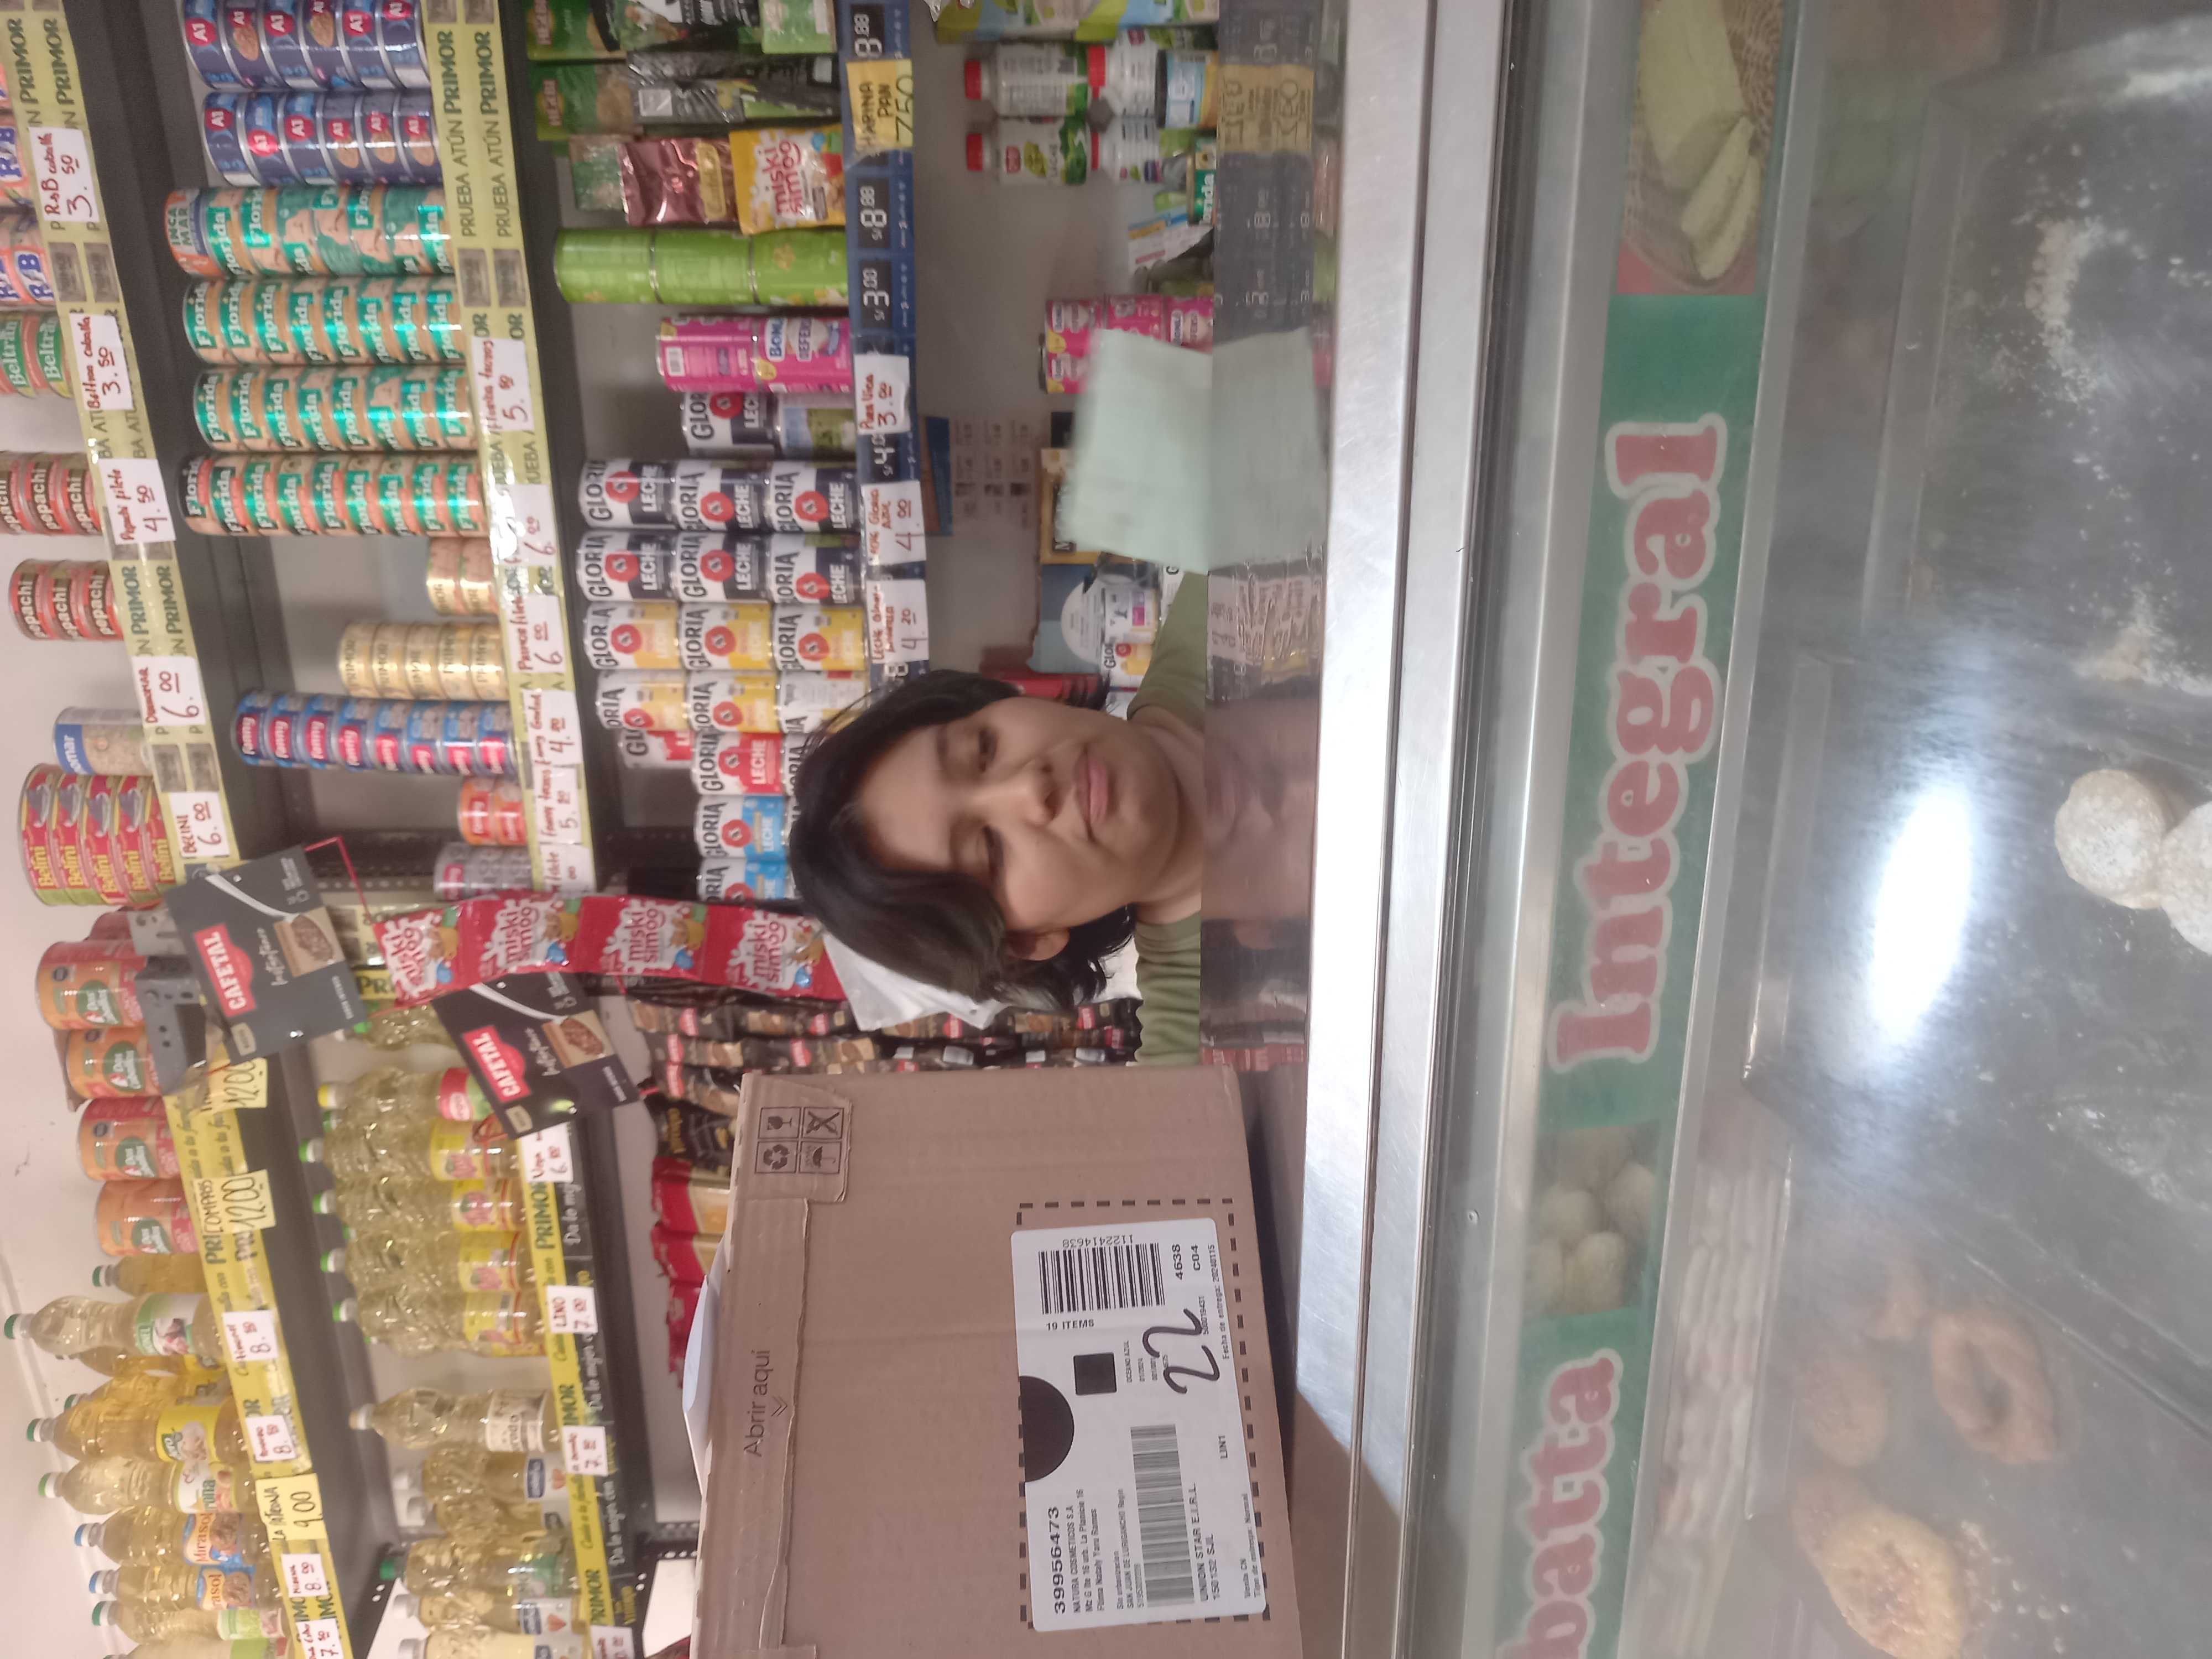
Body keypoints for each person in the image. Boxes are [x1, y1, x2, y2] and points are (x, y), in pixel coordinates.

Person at [790, 575, 1207, 1064]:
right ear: (1028, 941)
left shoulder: (1229, 585)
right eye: (991, 852)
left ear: (1009, 700)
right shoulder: (1208, 1059)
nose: (1030, 788)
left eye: (984, 748)